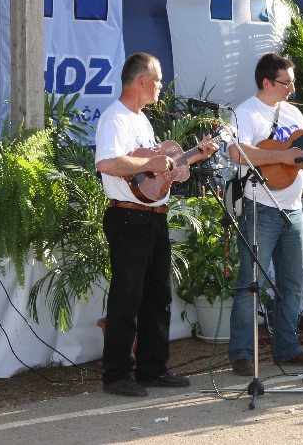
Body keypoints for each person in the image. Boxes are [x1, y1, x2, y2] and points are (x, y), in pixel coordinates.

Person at [95, 52, 219, 397]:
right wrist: (151, 161)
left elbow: (154, 173)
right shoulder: (116, 118)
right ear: (141, 81)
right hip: (128, 217)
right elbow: (107, 163)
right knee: (127, 296)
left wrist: (194, 156)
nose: (162, 86)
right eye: (158, 80)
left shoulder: (142, 121)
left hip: (153, 217)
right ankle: (117, 375)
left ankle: (152, 369)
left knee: (158, 296)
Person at [227, 52, 303, 376]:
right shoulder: (246, 112)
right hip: (259, 207)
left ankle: (287, 347)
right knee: (250, 283)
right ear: (267, 82)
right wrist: (280, 154)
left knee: (291, 284)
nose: (292, 89)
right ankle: (241, 352)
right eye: (287, 83)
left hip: (293, 210)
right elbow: (237, 151)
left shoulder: (294, 113)